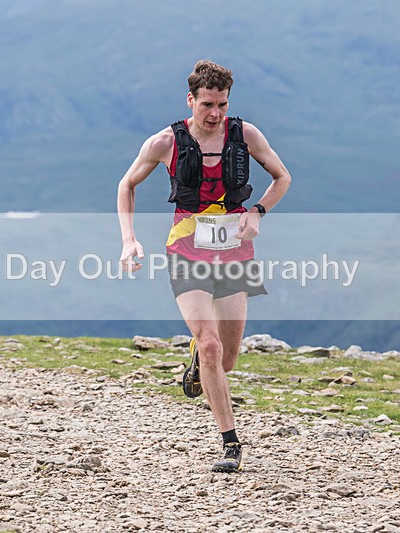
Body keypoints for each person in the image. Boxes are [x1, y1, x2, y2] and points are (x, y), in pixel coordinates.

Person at [117, 60, 291, 472]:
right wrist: (129, 239)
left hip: (234, 252)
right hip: (187, 249)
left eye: (222, 104)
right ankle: (230, 443)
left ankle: (200, 359)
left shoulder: (245, 135)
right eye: (207, 104)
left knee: (226, 359)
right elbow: (127, 184)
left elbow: (282, 177)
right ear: (190, 100)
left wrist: (258, 212)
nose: (215, 113)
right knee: (211, 344)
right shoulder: (165, 142)